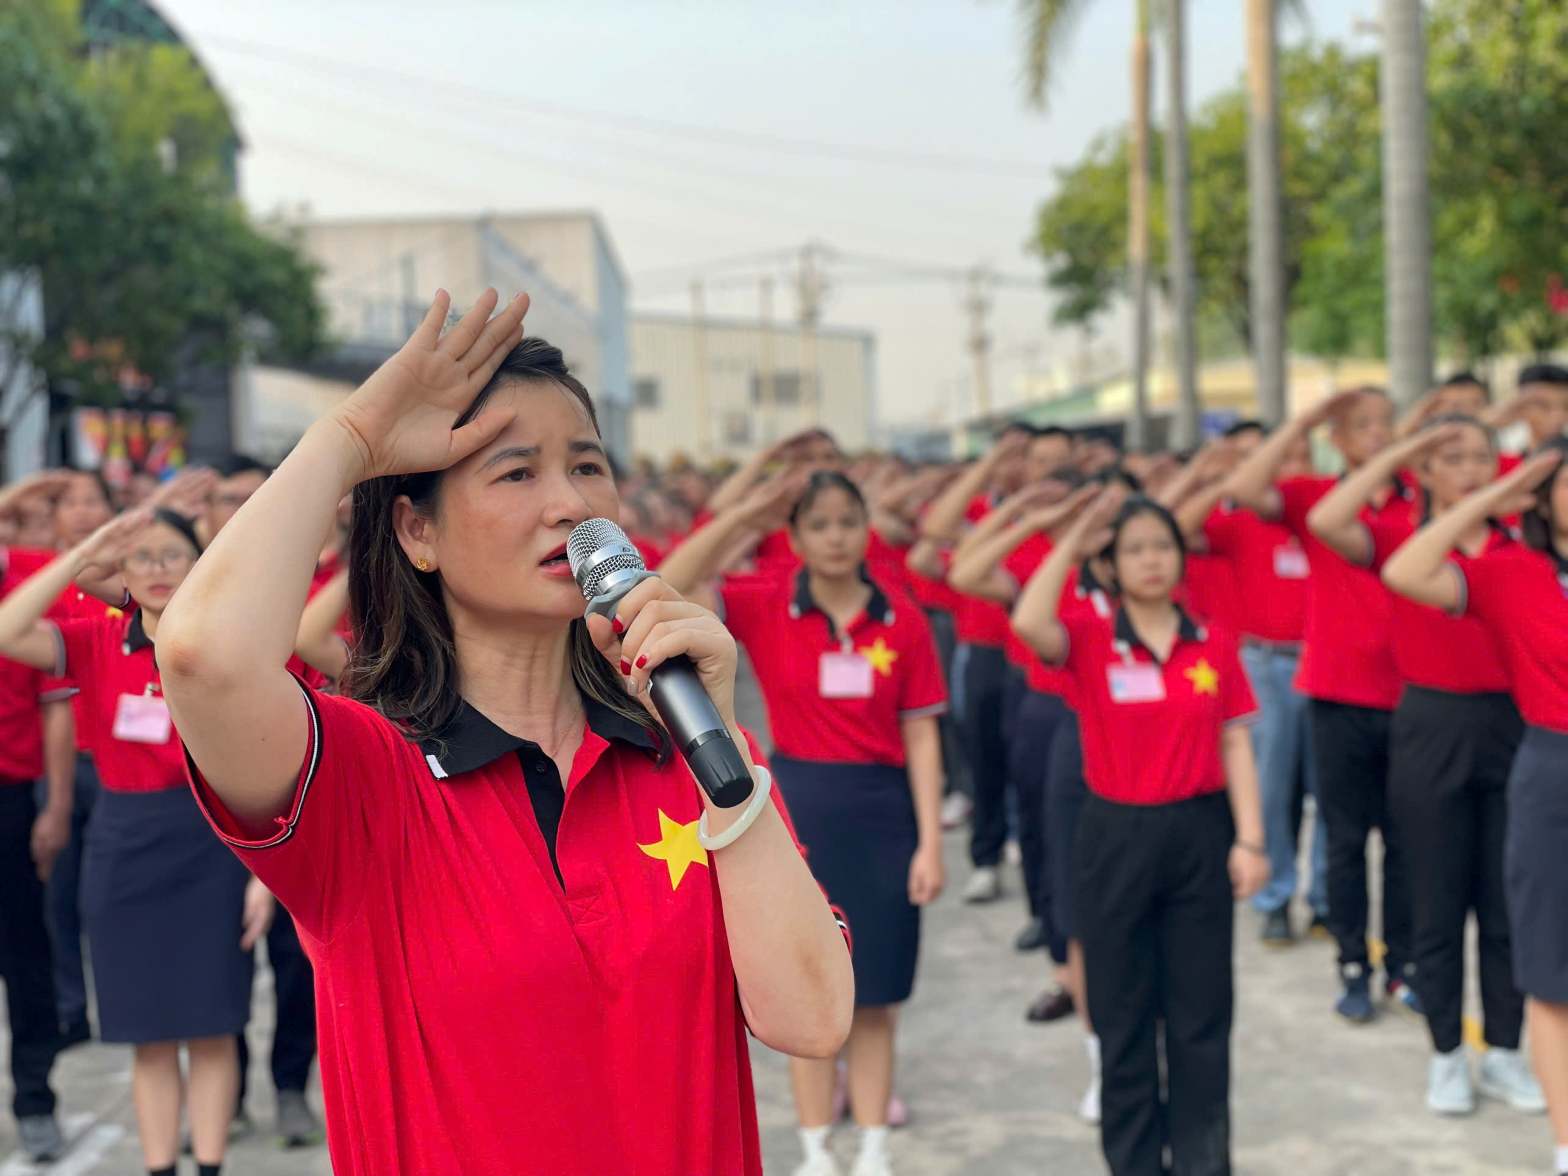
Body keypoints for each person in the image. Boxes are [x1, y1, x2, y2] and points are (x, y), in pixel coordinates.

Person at [156, 290, 854, 1176]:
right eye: (517, 472)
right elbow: (202, 656)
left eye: (588, 466)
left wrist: (722, 749)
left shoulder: (693, 757)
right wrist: (354, 439)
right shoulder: (363, 778)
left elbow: (814, 1019)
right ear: (417, 530)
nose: (569, 504)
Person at [661, 470, 946, 1176]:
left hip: (884, 814)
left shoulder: (900, 618)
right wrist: (745, 515)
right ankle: (818, 1149)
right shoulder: (766, 604)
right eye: (818, 524)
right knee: (808, 986)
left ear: (866, 530)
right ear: (795, 538)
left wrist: (932, 843)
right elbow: (670, 579)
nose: (836, 537)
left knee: (876, 995)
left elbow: (922, 737)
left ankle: (875, 1144)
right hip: (798, 810)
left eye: (848, 522)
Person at [0, 505, 273, 1176]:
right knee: (148, 1037)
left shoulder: (229, 643)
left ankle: (209, 1164)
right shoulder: (99, 636)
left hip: (212, 840)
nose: (156, 568)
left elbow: (273, 764)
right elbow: (9, 629)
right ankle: (160, 1169)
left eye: (171, 555)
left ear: (199, 564)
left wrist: (264, 874)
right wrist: (86, 549)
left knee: (213, 1026)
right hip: (123, 844)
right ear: (121, 570)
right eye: (141, 557)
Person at [1013, 488, 1267, 1175]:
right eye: (1133, 550)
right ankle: (1133, 1163)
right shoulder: (1090, 636)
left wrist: (1250, 839)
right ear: (1110, 566)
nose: (1151, 561)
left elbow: (1237, 741)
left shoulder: (1212, 639)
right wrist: (1071, 539)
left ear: (1181, 558)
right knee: (1123, 1014)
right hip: (1114, 835)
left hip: (1199, 833)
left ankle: (1202, 1160)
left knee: (1200, 1014)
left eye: (1162, 546)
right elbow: (1029, 618)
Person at [1308, 417, 1545, 1117]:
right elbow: (1326, 518)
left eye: (1483, 456)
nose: (1472, 468)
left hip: (1513, 722)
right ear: (1424, 472)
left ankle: (1504, 1049)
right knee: (1436, 902)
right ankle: (1446, 1053)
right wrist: (1404, 449)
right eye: (1453, 458)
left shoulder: (1520, 546)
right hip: (1429, 725)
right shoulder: (1400, 539)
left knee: (1507, 905)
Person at [1382, 442, 1568, 1176]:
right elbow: (1405, 570)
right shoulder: (1512, 573)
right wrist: (1489, 498)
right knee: (1552, 968)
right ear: (1541, 500)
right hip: (1551, 767)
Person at [1224, 387, 1419, 1022]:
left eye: (1386, 423)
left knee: (1404, 841)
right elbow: (1249, 486)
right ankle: (1352, 965)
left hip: (1410, 696)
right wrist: (1301, 420)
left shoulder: (1421, 498)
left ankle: (1401, 962)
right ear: (1338, 438)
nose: (1378, 434)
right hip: (1338, 694)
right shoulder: (1314, 496)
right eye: (1362, 426)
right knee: (1343, 841)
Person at [198, 453, 329, 1148]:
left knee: (293, 961)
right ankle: (231, 1093)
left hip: (296, 799)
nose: (240, 510)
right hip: (202, 812)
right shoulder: (186, 590)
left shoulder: (301, 587)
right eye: (228, 498)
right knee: (215, 959)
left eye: (257, 498)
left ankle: (288, 1087)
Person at [1172, 424, 1328, 946]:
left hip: (1326, 662)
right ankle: (1276, 897)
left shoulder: (1327, 514)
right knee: (1272, 784)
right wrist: (1221, 481)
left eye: (1302, 454)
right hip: (1264, 662)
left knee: (1329, 789)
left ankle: (1325, 897)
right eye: (1280, 458)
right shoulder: (1238, 522)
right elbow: (1176, 530)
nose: (1293, 467)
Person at [917, 426, 1034, 903]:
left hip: (1034, 657)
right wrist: (987, 468)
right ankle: (985, 856)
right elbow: (935, 531)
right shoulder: (982, 512)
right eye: (1011, 456)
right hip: (983, 648)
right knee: (983, 757)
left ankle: (1020, 840)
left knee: (1028, 763)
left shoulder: (1060, 520)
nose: (1020, 465)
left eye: (1028, 457)